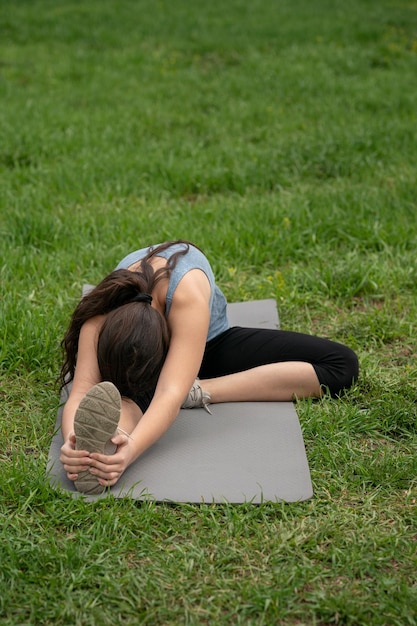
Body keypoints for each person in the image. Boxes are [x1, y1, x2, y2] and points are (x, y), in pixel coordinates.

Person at [59, 240, 359, 494]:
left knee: (341, 365)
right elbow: (82, 388)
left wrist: (131, 453)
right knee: (124, 390)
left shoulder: (186, 298)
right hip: (136, 346)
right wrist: (72, 441)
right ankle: (103, 443)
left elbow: (168, 394)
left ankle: (197, 390)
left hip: (210, 343)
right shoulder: (101, 307)